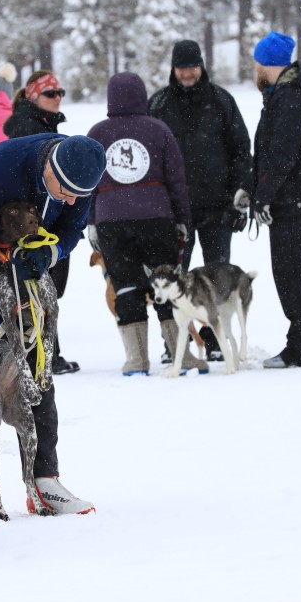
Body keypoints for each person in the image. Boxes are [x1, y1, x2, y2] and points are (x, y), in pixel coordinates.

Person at [0, 133, 106, 525]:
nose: (71, 200)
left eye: (79, 195)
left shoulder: (81, 174)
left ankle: (44, 481)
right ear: (48, 169)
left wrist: (47, 255)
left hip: (25, 265)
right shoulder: (2, 169)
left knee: (38, 370)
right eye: (65, 192)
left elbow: (71, 229)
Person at [87, 71, 207, 375]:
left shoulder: (97, 134)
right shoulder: (158, 130)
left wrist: (91, 222)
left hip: (112, 222)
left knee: (126, 287)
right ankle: (182, 357)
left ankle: (136, 360)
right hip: (156, 219)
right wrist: (183, 219)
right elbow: (176, 180)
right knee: (166, 286)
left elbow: (86, 184)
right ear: (142, 95)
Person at [147, 39, 253, 361]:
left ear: (202, 66)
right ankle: (174, 344)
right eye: (182, 67)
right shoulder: (159, 104)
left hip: (218, 209)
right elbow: (148, 158)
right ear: (173, 69)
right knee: (174, 278)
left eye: (193, 66)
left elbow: (241, 151)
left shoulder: (221, 101)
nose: (188, 73)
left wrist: (239, 198)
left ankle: (215, 339)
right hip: (175, 210)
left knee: (218, 278)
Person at [252, 31, 301, 369]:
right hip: (293, 201)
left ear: (267, 63)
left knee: (296, 275)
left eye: (257, 63)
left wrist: (263, 197)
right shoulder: (282, 95)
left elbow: (282, 155)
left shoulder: (291, 98)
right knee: (298, 273)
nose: (255, 69)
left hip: (295, 203)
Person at [4, 70, 78, 375]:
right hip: (37, 221)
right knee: (40, 290)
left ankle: (47, 355)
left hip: (45, 217)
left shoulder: (42, 124)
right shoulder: (29, 127)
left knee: (45, 290)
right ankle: (46, 357)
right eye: (51, 93)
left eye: (60, 92)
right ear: (34, 96)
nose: (57, 98)